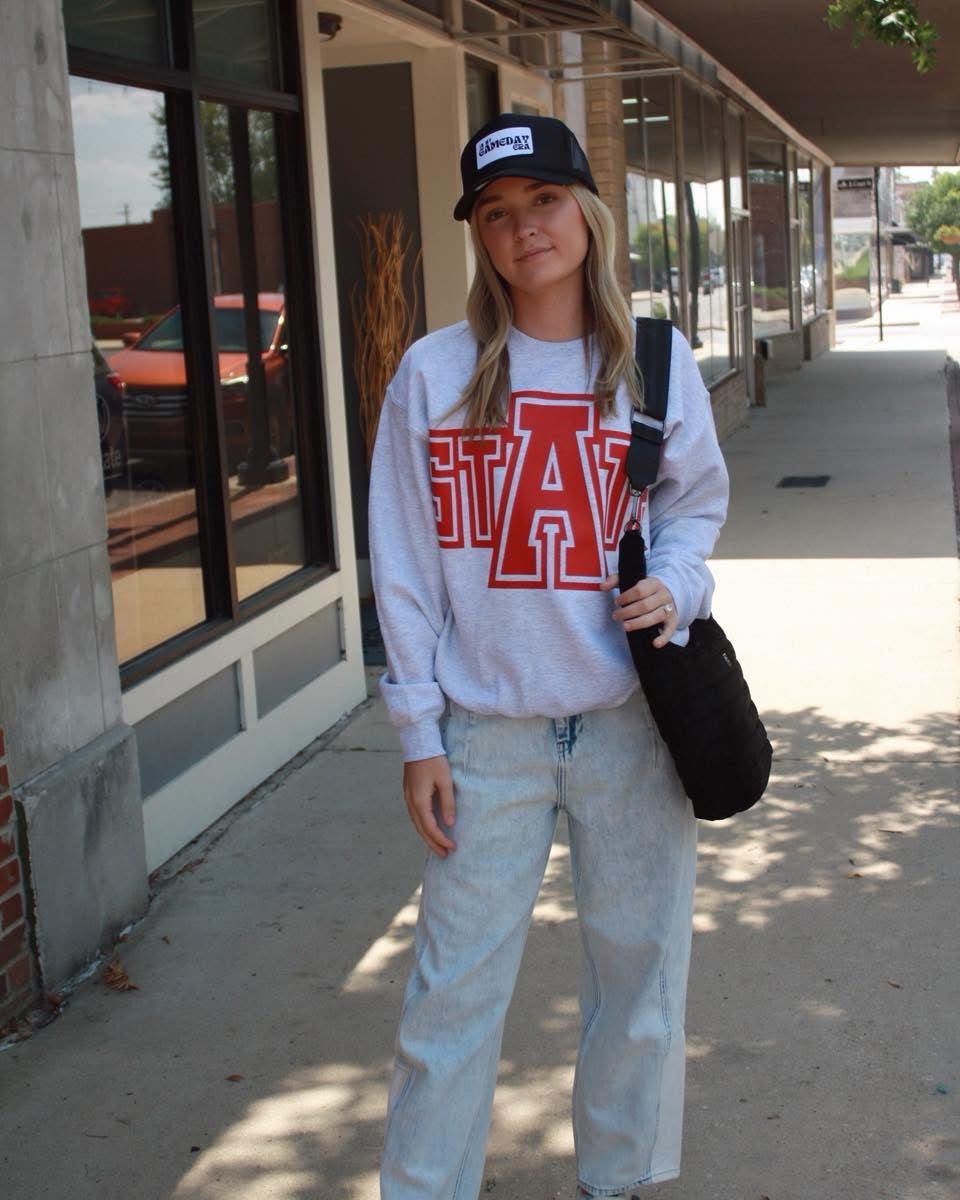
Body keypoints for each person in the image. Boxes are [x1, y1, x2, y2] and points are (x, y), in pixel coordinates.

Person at [369, 113, 729, 1200]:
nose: (524, 227)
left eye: (545, 200)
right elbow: (403, 564)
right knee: (449, 1003)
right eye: (496, 211)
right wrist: (416, 733)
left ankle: (617, 1185)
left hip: (630, 727)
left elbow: (694, 508)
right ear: (478, 234)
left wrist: (681, 582)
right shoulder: (434, 375)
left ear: (589, 213)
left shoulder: (653, 363)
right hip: (486, 738)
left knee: (641, 986)